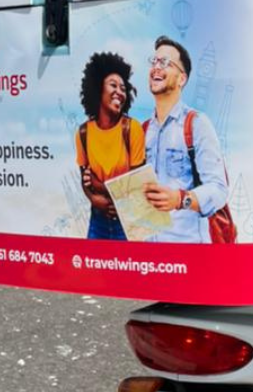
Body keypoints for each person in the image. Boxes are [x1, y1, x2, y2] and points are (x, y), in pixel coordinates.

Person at [142, 35, 230, 243]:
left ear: (182, 79)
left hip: (189, 251)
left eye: (165, 62)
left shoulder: (197, 124)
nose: (156, 67)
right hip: (148, 254)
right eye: (154, 61)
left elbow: (219, 189)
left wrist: (180, 199)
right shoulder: (143, 130)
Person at [76, 52, 145, 241]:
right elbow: (85, 179)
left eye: (123, 88)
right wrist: (93, 199)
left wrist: (98, 185)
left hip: (128, 221)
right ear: (98, 88)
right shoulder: (83, 133)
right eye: (113, 85)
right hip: (97, 221)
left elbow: (135, 185)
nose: (119, 92)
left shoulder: (132, 129)